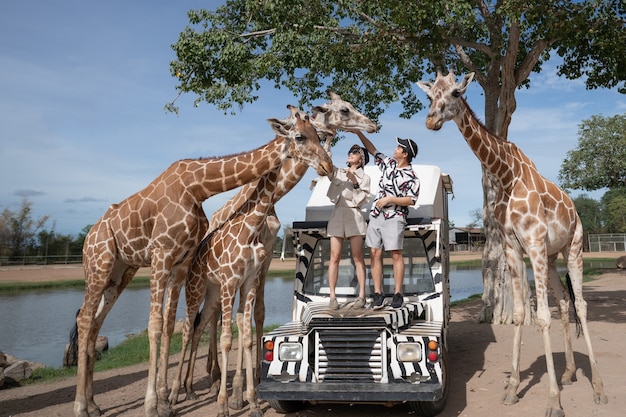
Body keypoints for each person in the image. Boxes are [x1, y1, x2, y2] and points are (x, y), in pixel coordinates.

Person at [350, 130, 420, 308]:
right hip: (376, 216)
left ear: (405, 154)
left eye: (399, 147)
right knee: (374, 253)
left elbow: (411, 200)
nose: (395, 149)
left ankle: (397, 293)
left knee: (395, 254)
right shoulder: (388, 163)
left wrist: (389, 199)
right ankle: (378, 293)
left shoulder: (412, 176)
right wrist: (358, 133)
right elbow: (373, 149)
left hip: (395, 216)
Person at [326, 144, 371, 309]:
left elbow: (361, 200)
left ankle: (362, 296)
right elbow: (326, 163)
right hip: (337, 214)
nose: (350, 154)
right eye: (349, 151)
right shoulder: (338, 172)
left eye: (354, 152)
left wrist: (355, 183)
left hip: (355, 215)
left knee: (358, 257)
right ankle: (332, 297)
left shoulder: (365, 178)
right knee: (334, 257)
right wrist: (328, 142)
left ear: (361, 158)